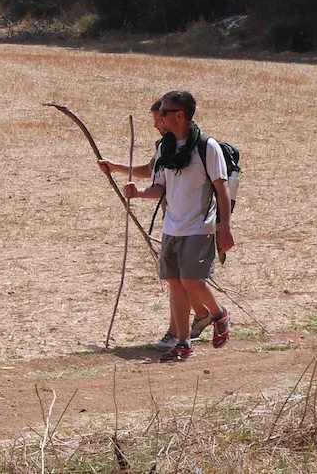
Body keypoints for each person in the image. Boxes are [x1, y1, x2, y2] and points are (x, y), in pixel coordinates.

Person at [120, 91, 234, 362]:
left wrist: (225, 227)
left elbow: (222, 187)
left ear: (179, 115)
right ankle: (183, 343)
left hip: (199, 227)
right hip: (172, 227)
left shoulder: (208, 147)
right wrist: (137, 194)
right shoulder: (165, 148)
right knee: (176, 286)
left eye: (164, 113)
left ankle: (219, 314)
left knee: (191, 281)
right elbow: (160, 187)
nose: (159, 118)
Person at [98, 99, 214, 352]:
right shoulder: (166, 146)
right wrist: (117, 168)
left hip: (193, 224)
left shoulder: (196, 147)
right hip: (173, 222)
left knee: (184, 280)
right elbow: (153, 172)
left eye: (159, 119)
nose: (155, 125)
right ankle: (202, 316)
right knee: (181, 280)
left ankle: (178, 331)